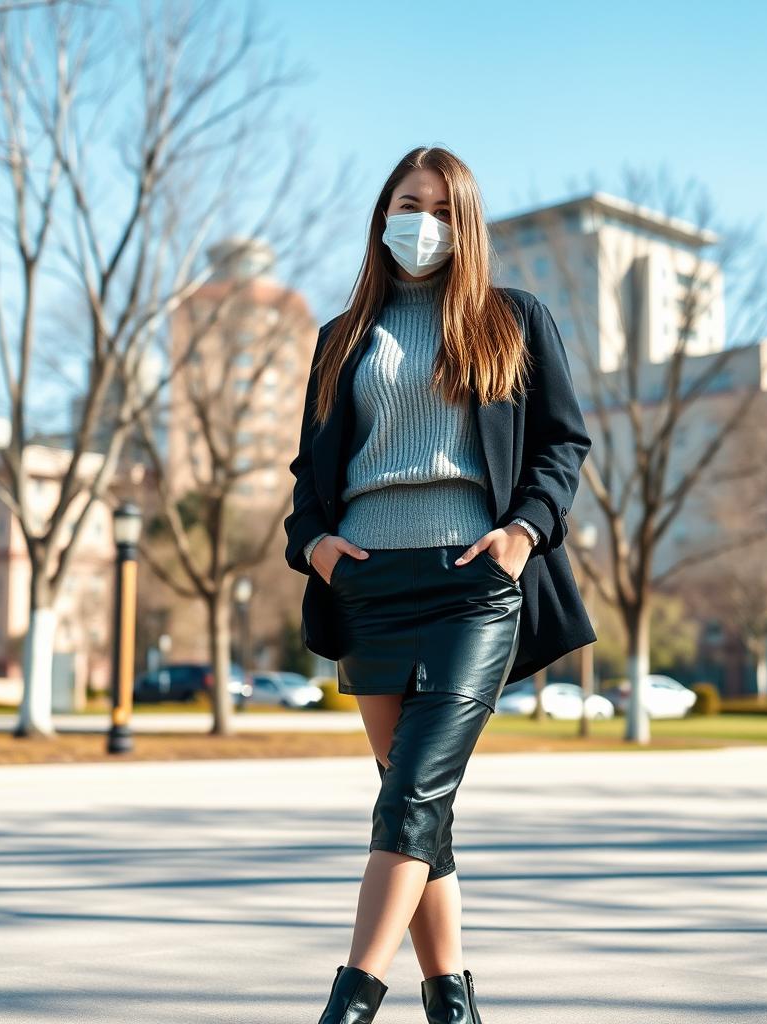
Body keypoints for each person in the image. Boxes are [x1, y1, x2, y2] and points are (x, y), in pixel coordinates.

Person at [283, 145, 595, 1024]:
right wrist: (316, 548)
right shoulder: (339, 338)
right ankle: (452, 1002)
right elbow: (311, 473)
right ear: (383, 215)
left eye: (441, 209)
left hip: (473, 584)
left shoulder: (514, 320)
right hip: (369, 586)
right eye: (406, 203)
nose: (420, 223)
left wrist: (523, 531)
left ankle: (349, 1004)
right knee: (414, 810)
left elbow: (562, 444)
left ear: (466, 226)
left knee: (414, 792)